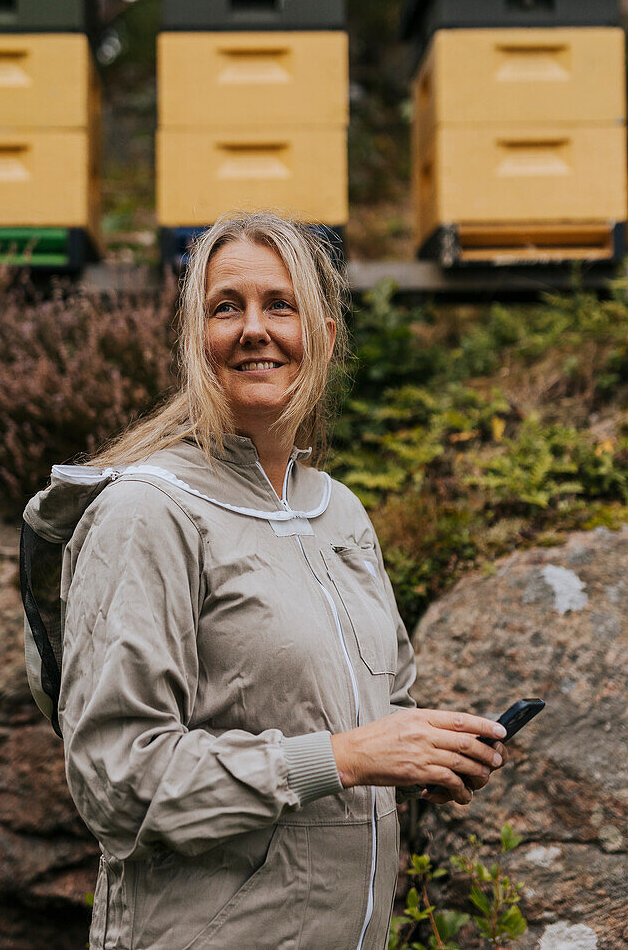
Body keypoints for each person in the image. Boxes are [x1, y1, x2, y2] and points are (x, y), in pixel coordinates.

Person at [27, 212, 507, 949]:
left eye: (278, 304)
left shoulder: (339, 510)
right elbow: (117, 781)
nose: (254, 329)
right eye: (227, 307)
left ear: (323, 335)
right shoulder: (146, 512)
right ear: (197, 340)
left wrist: (427, 751)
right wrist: (343, 759)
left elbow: (382, 704)